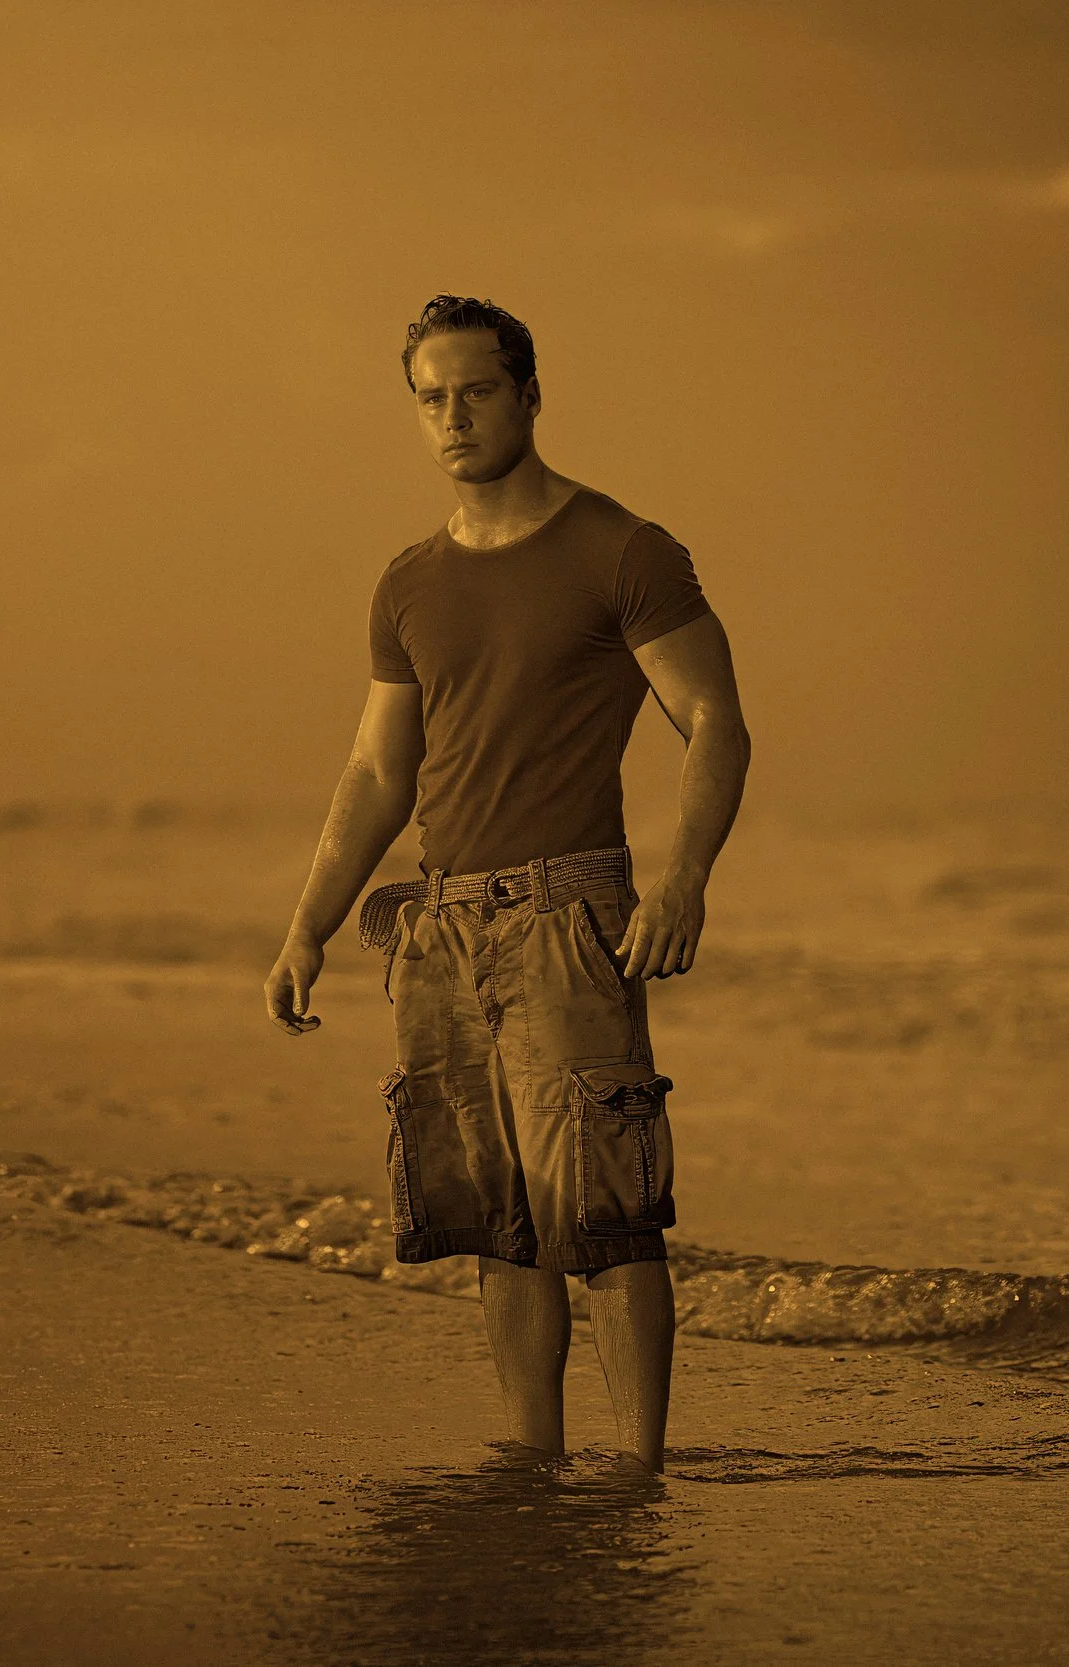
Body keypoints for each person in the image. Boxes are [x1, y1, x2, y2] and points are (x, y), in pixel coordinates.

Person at [263, 295, 751, 1470]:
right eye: (430, 398)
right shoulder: (409, 582)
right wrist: (306, 924)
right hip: (440, 925)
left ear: (528, 395)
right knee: (502, 1220)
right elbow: (379, 769)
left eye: (476, 391)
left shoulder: (621, 549)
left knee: (606, 1212)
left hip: (566, 914)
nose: (453, 417)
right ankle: (532, 1467)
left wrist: (682, 878)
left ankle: (636, 1473)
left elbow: (714, 721)